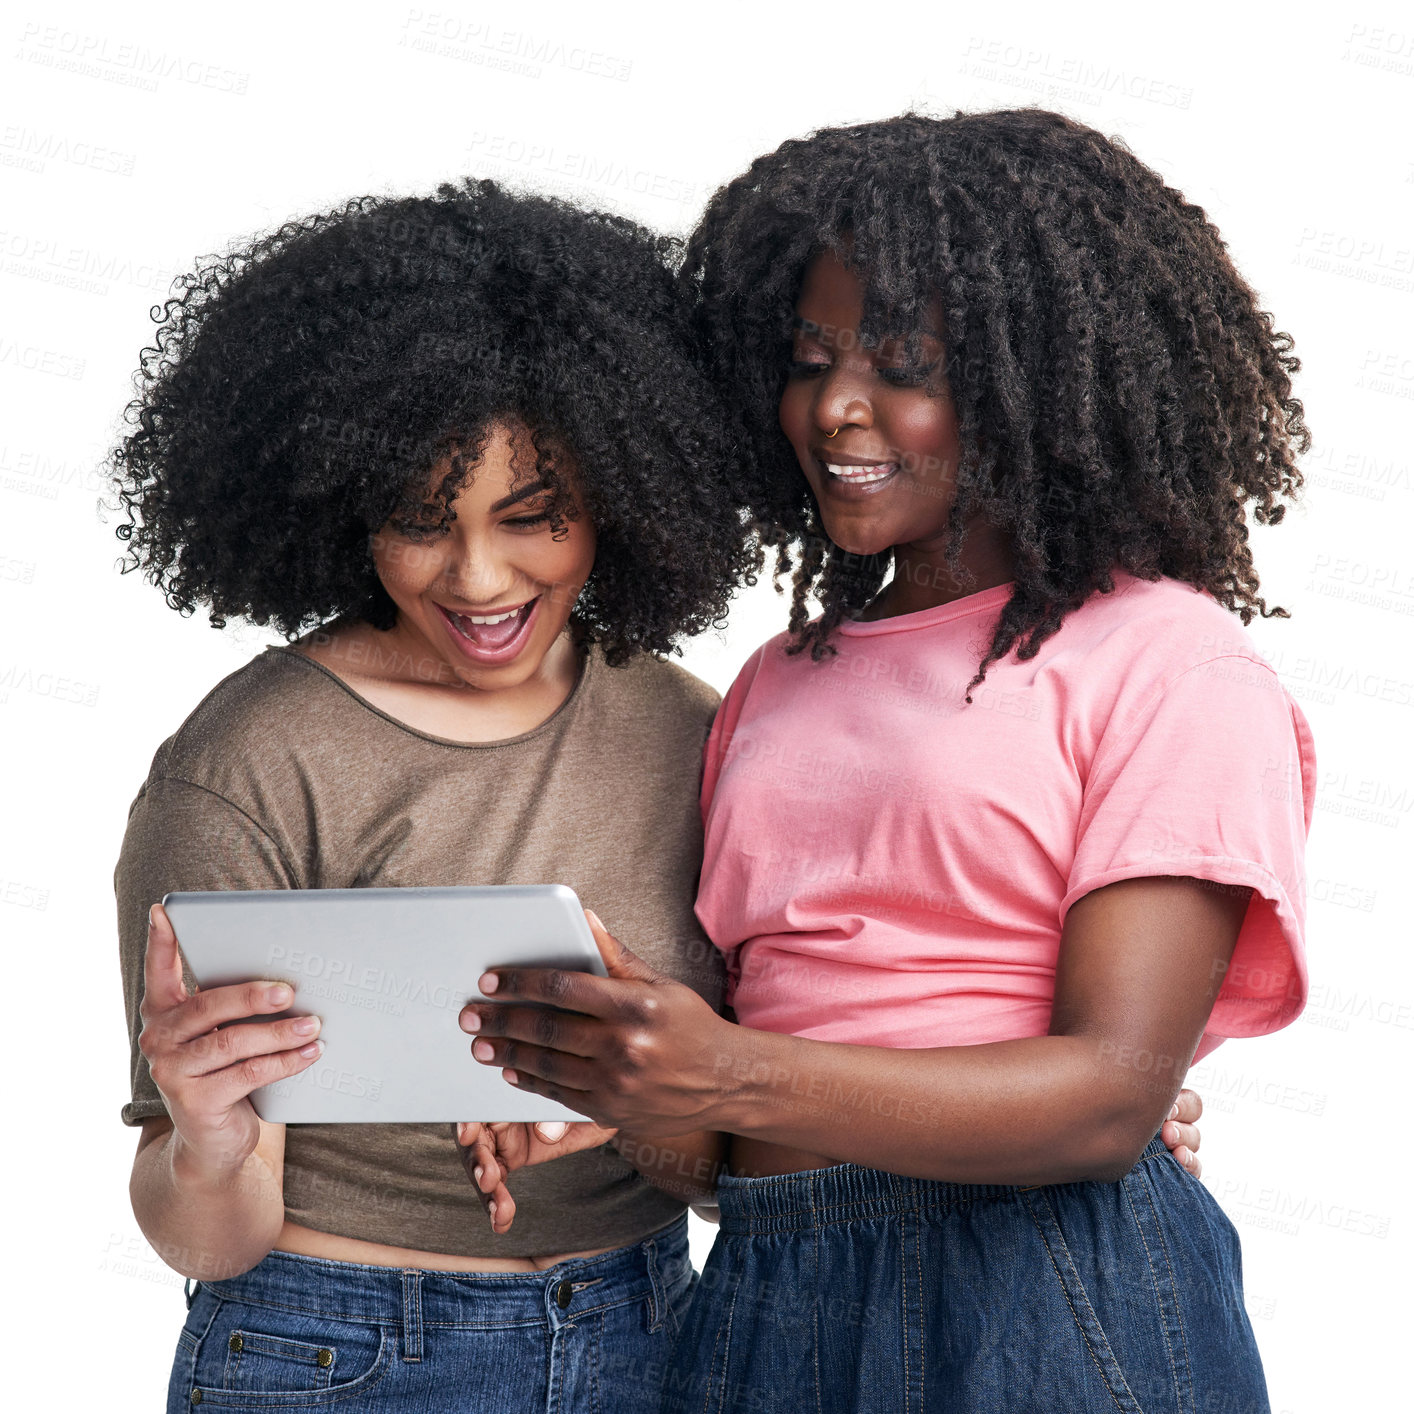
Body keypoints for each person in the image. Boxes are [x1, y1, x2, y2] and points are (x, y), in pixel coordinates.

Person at [457, 109, 1313, 1414]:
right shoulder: (772, 685)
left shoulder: (1167, 661)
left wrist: (728, 1069)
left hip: (1038, 1282)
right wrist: (622, 1081)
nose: (836, 407)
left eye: (901, 361)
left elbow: (1105, 1100)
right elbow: (733, 1131)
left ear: (1039, 380)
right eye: (808, 359)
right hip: (766, 1285)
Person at [110, 179, 753, 1413]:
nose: (477, 576)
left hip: (653, 1330)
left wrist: (628, 1105)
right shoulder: (248, 764)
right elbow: (203, 1238)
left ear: (622, 489)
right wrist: (211, 1141)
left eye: (533, 517)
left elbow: (737, 1160)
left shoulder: (693, 731)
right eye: (420, 523)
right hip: (337, 1346)